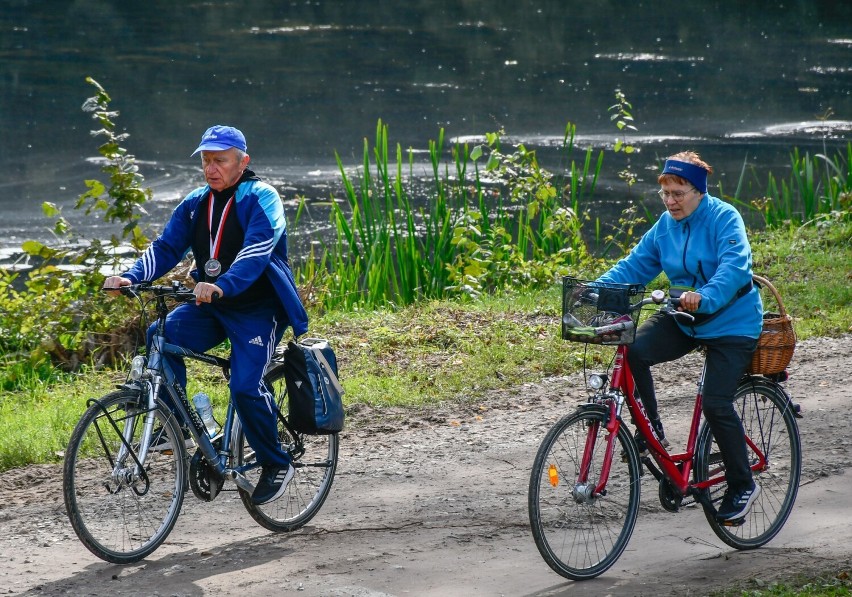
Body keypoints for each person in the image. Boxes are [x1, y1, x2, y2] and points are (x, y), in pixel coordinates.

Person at [103, 125, 309, 505]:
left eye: (221, 160)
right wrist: (130, 276)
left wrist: (223, 284)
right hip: (211, 305)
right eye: (207, 160)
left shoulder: (261, 197)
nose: (211, 168)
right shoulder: (196, 203)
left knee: (245, 388)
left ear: (242, 162)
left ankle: (277, 462)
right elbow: (166, 247)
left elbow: (257, 250)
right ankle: (175, 423)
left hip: (258, 310)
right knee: (160, 336)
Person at [597, 151, 763, 521]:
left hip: (731, 323)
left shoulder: (724, 218)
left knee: (716, 404)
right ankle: (651, 430)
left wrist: (703, 296)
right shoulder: (665, 225)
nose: (670, 200)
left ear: (699, 191)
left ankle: (742, 484)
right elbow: (634, 265)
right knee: (634, 347)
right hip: (686, 318)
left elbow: (735, 268)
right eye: (665, 193)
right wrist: (595, 289)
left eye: (678, 192)